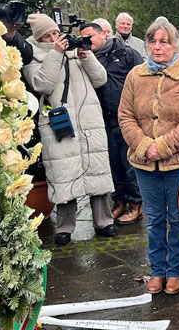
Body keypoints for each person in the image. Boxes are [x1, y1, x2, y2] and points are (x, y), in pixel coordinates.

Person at [119, 20, 179, 295]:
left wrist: (163, 146)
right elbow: (125, 116)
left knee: (177, 218)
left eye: (164, 42)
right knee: (153, 219)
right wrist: (144, 145)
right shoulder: (135, 76)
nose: (158, 47)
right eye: (153, 41)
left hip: (178, 162)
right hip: (143, 163)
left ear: (175, 45)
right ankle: (157, 270)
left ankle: (175, 271)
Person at [22, 14, 117, 246]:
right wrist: (55, 53)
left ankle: (104, 221)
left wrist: (87, 57)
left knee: (97, 170)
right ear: (38, 37)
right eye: (47, 35)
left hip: (88, 119)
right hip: (58, 123)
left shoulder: (75, 51)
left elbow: (101, 79)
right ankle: (64, 227)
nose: (55, 37)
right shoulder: (32, 56)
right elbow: (42, 84)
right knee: (63, 173)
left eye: (56, 33)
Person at [78, 23, 145, 225]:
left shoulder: (126, 53)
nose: (87, 42)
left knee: (129, 164)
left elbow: (142, 81)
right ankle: (119, 201)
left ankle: (135, 203)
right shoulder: (87, 57)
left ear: (103, 34)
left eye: (90, 37)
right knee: (111, 164)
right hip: (101, 119)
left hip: (126, 118)